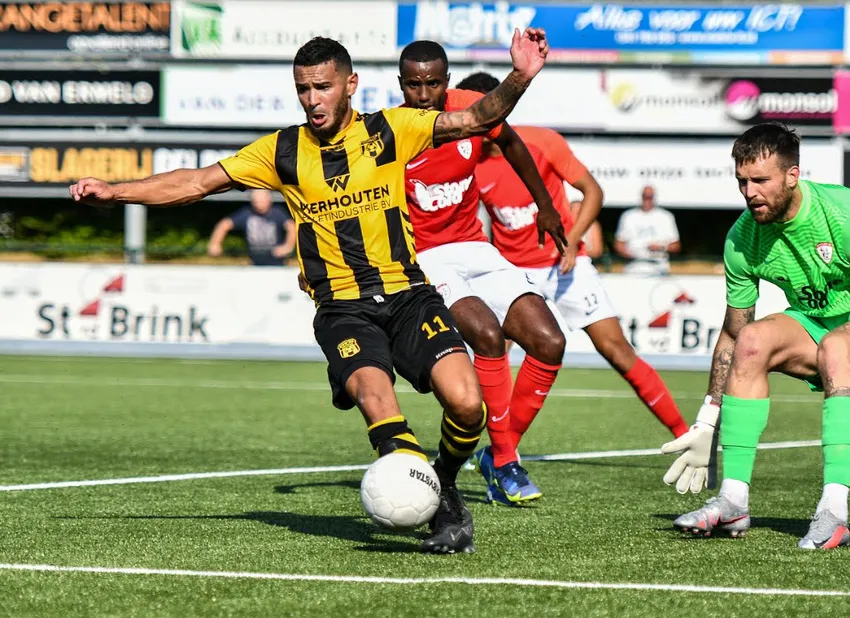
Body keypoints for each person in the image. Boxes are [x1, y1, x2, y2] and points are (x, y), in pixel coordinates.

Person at [69, 31, 553, 554]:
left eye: (323, 87)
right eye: (303, 89)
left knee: (467, 405)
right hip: (344, 309)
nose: (312, 99)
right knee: (378, 403)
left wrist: (521, 76)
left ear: (351, 85)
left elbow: (476, 119)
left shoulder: (393, 129)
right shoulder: (280, 150)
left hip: (410, 296)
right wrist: (115, 192)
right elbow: (197, 182)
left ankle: (445, 484)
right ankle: (432, 501)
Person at [660, 123, 850, 550]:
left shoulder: (848, 216)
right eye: (742, 181)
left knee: (837, 346)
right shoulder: (742, 238)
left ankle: (834, 513)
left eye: (761, 180)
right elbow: (732, 334)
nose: (749, 193)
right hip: (814, 323)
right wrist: (707, 418)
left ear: (792, 175)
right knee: (752, 340)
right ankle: (733, 501)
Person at [459, 72, 690, 496]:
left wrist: (573, 240)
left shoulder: (541, 142)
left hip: (566, 265)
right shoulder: (465, 158)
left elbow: (592, 191)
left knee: (616, 350)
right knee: (493, 356)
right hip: (512, 273)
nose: (475, 115)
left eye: (483, 106)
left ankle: (686, 437)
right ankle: (502, 455)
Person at [397, 41, 567, 505]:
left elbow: (510, 142)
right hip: (427, 257)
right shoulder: (393, 130)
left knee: (550, 341)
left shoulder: (470, 109)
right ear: (401, 84)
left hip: (475, 246)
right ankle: (507, 461)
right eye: (414, 85)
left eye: (433, 83)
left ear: (447, 81)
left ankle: (496, 453)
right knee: (488, 336)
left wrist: (545, 205)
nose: (424, 94)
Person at [207, 189, 296, 266]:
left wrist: (287, 247)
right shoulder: (246, 213)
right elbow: (224, 225)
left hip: (278, 262)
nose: (258, 204)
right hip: (254, 261)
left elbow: (292, 227)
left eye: (261, 201)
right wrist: (215, 244)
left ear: (269, 199)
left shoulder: (278, 213)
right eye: (256, 201)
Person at [613, 185, 681, 275]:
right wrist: (627, 253)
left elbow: (676, 246)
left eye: (650, 197)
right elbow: (619, 243)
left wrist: (660, 247)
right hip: (633, 267)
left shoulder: (666, 217)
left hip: (658, 267)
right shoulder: (628, 216)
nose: (647, 199)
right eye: (645, 196)